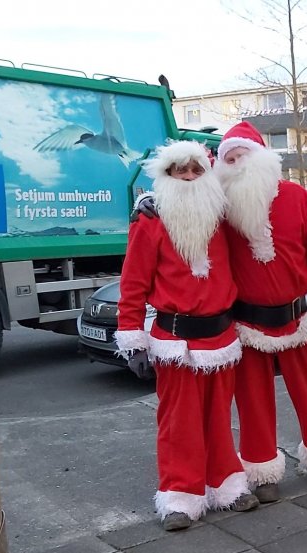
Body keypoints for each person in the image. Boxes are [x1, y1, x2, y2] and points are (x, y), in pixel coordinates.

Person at [213, 121, 307, 503]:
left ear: (261, 159)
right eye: (229, 159)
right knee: (252, 400)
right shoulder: (221, 209)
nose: (236, 164)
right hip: (247, 323)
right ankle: (262, 472)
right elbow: (186, 208)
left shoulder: (296, 197)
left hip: (298, 317)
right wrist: (151, 204)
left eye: (242, 156)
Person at [115, 140, 258, 531]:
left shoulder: (223, 216)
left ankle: (226, 484)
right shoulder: (150, 222)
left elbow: (250, 188)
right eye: (181, 171)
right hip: (175, 343)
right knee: (178, 423)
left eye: (197, 170)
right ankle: (180, 494)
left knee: (218, 417)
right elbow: (133, 284)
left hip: (221, 339)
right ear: (167, 176)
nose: (191, 177)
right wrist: (131, 336)